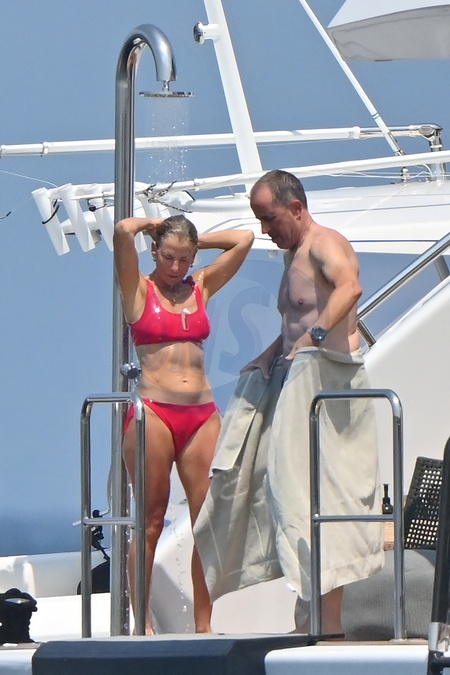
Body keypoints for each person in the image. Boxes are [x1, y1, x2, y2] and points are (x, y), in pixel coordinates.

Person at [194, 170, 384, 635]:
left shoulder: (326, 243)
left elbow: (349, 289)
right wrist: (268, 355)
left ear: (296, 208)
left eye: (270, 218)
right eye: (259, 220)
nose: (265, 230)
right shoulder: (292, 255)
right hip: (295, 381)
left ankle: (327, 622)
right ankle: (308, 616)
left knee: (321, 497)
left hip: (328, 386)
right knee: (285, 494)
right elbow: (294, 325)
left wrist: (314, 338)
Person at [113, 214, 254, 634]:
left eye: (184, 258)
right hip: (154, 411)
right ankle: (142, 624)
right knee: (151, 522)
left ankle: (203, 624)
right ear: (154, 251)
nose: (176, 267)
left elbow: (244, 239)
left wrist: (195, 240)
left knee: (206, 524)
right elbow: (122, 232)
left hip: (202, 414)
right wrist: (155, 224)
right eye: (168, 256)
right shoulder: (138, 288)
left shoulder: (201, 286)